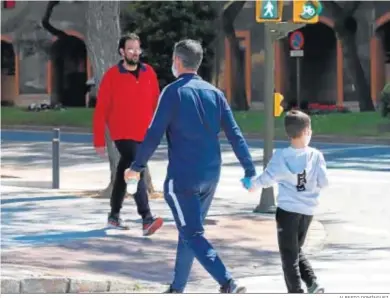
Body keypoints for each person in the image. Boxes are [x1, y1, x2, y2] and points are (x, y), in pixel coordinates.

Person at [124, 39, 256, 293]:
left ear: (177, 61)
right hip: (210, 176)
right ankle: (177, 288)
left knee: (192, 233)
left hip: (182, 179)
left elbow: (153, 134)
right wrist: (249, 169)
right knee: (189, 230)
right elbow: (235, 134)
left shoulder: (172, 92)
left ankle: (228, 282)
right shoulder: (215, 94)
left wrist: (137, 167)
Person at [242, 110, 329, 293]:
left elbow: (267, 178)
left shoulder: (280, 156)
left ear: (288, 133)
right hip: (308, 212)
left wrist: (252, 186)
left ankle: (296, 291)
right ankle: (313, 283)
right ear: (306, 132)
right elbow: (324, 182)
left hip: (287, 212)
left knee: (289, 256)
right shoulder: (316, 156)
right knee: (295, 249)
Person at [93, 33, 163, 236]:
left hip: (144, 133)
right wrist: (99, 140)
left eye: (137, 48)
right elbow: (101, 110)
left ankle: (114, 216)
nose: (135, 52)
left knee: (125, 170)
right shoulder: (112, 76)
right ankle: (146, 219)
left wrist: (160, 129)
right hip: (122, 133)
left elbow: (156, 103)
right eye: (130, 48)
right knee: (136, 168)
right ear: (122, 52)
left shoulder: (149, 72)